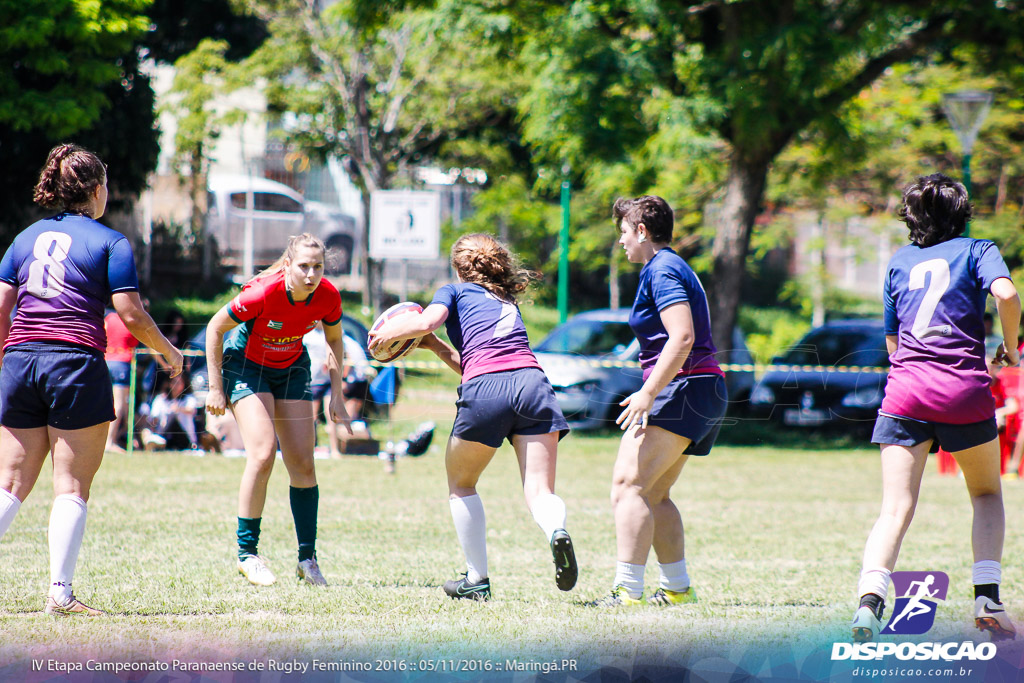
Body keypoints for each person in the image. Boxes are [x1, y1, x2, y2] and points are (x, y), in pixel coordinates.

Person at [0, 143, 183, 616]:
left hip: (20, 362)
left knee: (9, 486)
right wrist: (168, 350)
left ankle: (61, 593)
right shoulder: (110, 242)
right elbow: (130, 313)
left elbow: (1, 309)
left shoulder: (24, 238)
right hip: (74, 364)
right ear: (98, 190)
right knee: (71, 486)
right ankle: (60, 593)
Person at [851, 173, 1021, 642]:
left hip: (906, 392)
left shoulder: (899, 261)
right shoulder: (978, 250)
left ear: (911, 216)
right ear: (962, 213)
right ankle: (987, 602)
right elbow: (1006, 293)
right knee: (986, 494)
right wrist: (1010, 347)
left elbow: (893, 342)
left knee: (895, 508)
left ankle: (868, 605)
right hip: (963, 391)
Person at [368, 233, 576, 601]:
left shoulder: (454, 291)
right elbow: (473, 362)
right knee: (540, 491)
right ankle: (556, 530)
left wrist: (383, 334)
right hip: (533, 384)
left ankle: (476, 580)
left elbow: (424, 322)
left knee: (461, 483)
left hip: (486, 392)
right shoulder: (505, 299)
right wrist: (434, 346)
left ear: (458, 267)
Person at [589, 195, 727, 608]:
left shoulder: (662, 269)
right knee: (654, 492)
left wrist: (649, 392)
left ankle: (627, 591)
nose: (621, 243)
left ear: (642, 232)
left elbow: (681, 336)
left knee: (627, 487)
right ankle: (678, 588)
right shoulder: (670, 266)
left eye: (624, 234)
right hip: (701, 387)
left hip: (683, 387)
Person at [205, 233, 351, 588]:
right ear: (288, 266)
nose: (311, 274)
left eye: (317, 267)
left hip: (291, 367)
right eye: (303, 266)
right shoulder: (262, 293)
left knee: (303, 463)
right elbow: (214, 327)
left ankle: (307, 560)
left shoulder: (328, 296)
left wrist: (336, 394)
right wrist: (215, 387)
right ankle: (247, 555)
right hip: (247, 367)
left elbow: (334, 339)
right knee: (264, 452)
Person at [140, 370, 201, 451]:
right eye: (174, 382)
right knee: (146, 431)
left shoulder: (188, 399)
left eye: (179, 383)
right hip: (164, 433)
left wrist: (178, 409)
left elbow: (192, 410)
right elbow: (154, 418)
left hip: (184, 435)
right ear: (169, 384)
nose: (176, 386)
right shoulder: (161, 399)